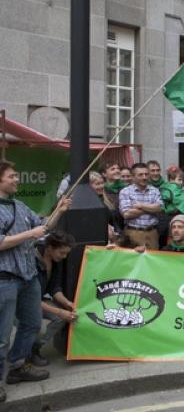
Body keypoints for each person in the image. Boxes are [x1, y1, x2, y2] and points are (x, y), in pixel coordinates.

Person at [0, 161, 71, 400]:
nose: (17, 179)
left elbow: (43, 227)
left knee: (31, 323)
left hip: (28, 277)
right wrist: (30, 234)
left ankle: (18, 366)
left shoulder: (19, 205)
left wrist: (59, 211)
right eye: (12, 176)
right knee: (1, 335)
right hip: (5, 280)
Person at [31, 231, 77, 367]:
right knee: (36, 326)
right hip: (21, 302)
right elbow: (31, 299)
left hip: (39, 299)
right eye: (62, 253)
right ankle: (23, 352)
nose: (64, 257)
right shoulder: (32, 259)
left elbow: (54, 288)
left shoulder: (55, 261)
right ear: (50, 248)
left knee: (62, 318)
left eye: (66, 253)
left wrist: (68, 304)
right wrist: (59, 312)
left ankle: (34, 349)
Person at [118, 163, 163, 250]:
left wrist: (140, 206)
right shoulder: (125, 192)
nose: (144, 177)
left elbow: (159, 208)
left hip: (152, 233)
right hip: (133, 233)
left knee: (152, 261)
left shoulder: (154, 190)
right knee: (133, 261)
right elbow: (127, 214)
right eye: (140, 175)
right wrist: (150, 208)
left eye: (146, 174)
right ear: (133, 177)